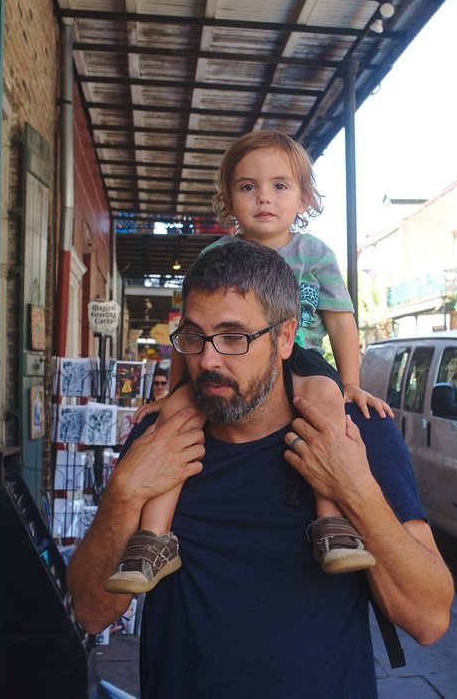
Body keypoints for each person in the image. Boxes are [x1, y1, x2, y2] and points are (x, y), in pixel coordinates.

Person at [66, 239, 453, 698]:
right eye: (194, 337)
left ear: (286, 337)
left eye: (234, 337)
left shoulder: (356, 436)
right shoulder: (159, 440)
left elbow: (428, 620)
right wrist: (124, 493)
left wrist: (357, 491)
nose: (208, 360)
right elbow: (91, 611)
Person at [107, 130, 392, 593]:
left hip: (299, 359)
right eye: (247, 186)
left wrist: (350, 383)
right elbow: (192, 333)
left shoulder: (315, 254)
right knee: (177, 420)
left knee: (325, 399)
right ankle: (153, 539)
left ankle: (332, 525)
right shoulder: (215, 255)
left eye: (280, 186)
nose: (264, 198)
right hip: (228, 360)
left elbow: (340, 323)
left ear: (304, 198)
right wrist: (173, 392)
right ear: (228, 198)